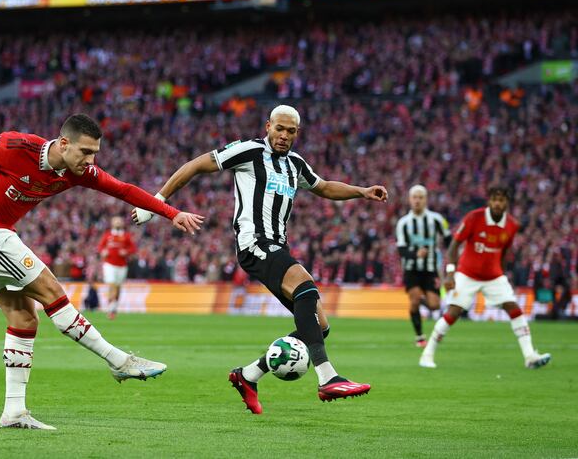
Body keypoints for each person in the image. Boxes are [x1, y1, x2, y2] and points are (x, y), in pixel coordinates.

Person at [0, 114, 204, 430]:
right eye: (85, 152)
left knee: (25, 318)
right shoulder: (16, 146)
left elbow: (123, 189)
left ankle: (14, 411)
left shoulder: (77, 172)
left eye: (95, 153)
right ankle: (119, 361)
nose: (91, 160)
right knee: (52, 291)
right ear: (64, 144)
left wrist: (171, 213)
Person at [133, 104, 388, 413]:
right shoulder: (248, 151)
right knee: (305, 285)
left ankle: (248, 375)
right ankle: (327, 377)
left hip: (277, 245)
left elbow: (323, 187)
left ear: (297, 133)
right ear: (268, 126)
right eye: (278, 129)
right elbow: (195, 166)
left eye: (290, 131)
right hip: (254, 242)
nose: (283, 136)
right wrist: (155, 203)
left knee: (318, 324)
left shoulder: (295, 163)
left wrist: (361, 191)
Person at [419, 186, 551, 369]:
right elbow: (453, 246)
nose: (498, 203)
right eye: (495, 199)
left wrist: (502, 274)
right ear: (489, 201)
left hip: (493, 276)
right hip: (467, 273)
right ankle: (427, 354)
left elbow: (504, 251)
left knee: (514, 308)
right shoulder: (474, 217)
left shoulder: (512, 225)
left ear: (507, 203)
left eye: (502, 200)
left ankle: (530, 356)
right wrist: (450, 273)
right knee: (453, 313)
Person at [395, 185, 451, 347]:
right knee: (414, 300)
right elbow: (401, 249)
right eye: (414, 197)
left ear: (426, 200)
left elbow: (449, 240)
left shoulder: (437, 220)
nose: (417, 200)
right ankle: (420, 337)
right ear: (410, 200)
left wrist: (453, 262)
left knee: (434, 305)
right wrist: (415, 254)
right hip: (411, 269)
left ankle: (420, 300)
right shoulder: (403, 223)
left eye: (420, 197)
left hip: (431, 269)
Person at [97, 216, 137, 319]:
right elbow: (100, 247)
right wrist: (103, 252)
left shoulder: (126, 236)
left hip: (122, 265)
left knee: (118, 288)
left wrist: (126, 252)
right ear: (112, 223)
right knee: (112, 285)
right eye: (116, 221)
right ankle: (110, 309)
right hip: (109, 264)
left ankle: (113, 309)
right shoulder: (107, 235)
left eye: (120, 221)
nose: (118, 223)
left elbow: (133, 248)